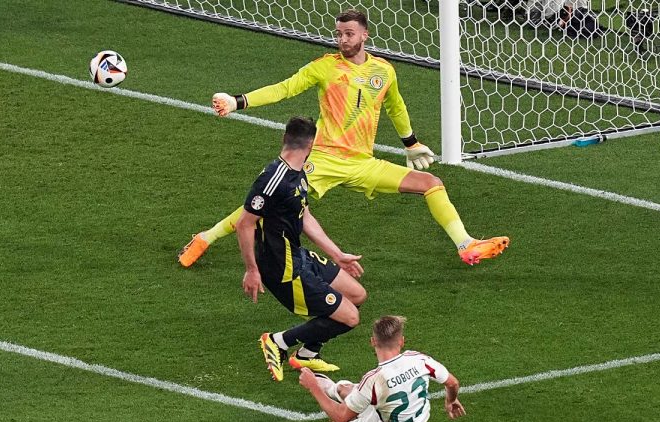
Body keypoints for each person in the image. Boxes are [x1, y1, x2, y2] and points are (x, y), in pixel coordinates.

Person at [179, 9, 509, 268]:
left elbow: (396, 107)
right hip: (322, 159)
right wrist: (239, 101)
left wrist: (411, 144)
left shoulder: (384, 71)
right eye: (338, 34)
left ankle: (466, 245)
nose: (342, 39)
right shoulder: (324, 67)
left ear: (365, 35)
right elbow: (284, 88)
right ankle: (205, 238)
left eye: (349, 34)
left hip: (363, 163)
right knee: (272, 199)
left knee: (431, 182)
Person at [236, 116, 367, 379]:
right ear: (312, 144)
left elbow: (304, 216)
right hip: (281, 268)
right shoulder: (274, 179)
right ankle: (278, 341)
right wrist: (252, 269)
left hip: (298, 255)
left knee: (357, 295)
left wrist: (337, 254)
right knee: (351, 317)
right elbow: (244, 224)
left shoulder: (299, 173)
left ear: (285, 138)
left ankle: (307, 354)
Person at [299, 315, 466, 422]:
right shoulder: (420, 360)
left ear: (373, 342)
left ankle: (327, 387)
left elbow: (341, 417)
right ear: (401, 341)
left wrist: (313, 387)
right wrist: (451, 400)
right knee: (347, 390)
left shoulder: (373, 379)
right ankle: (337, 389)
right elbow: (452, 383)